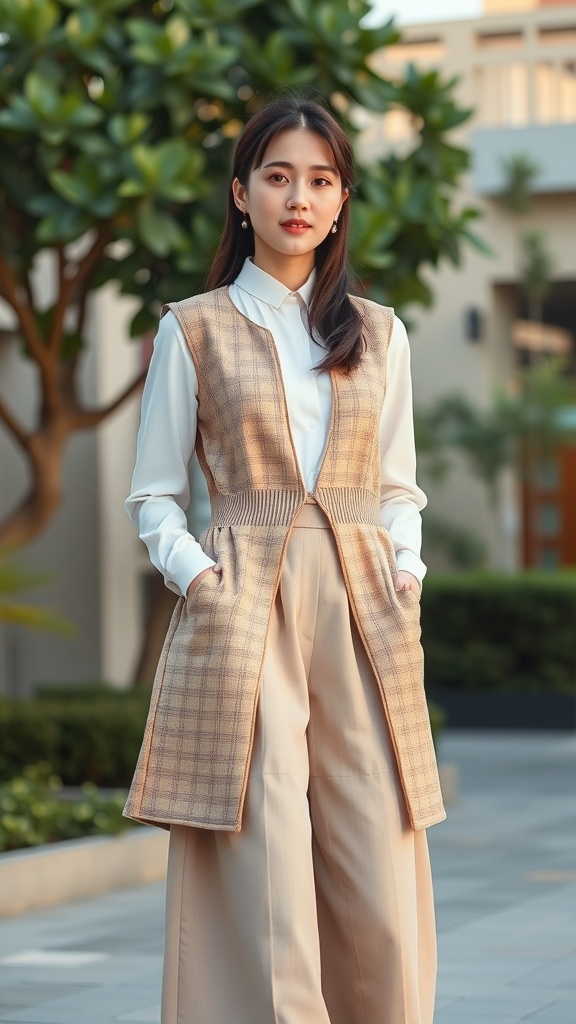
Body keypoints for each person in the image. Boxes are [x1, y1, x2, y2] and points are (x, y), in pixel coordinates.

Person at [124, 96, 445, 1024]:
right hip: (243, 598)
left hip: (361, 596)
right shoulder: (192, 328)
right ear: (241, 195)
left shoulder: (380, 333)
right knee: (260, 854)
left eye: (319, 179)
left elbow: (397, 486)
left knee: (375, 846)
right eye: (276, 176)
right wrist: (200, 577)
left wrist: (408, 570)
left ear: (341, 200)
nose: (297, 197)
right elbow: (153, 490)